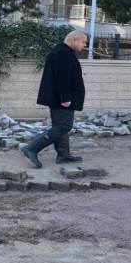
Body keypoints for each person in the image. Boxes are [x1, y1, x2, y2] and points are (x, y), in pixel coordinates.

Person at [23, 31, 87, 168]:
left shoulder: (64, 52)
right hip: (62, 99)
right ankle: (32, 148)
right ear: (74, 39)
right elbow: (62, 77)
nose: (84, 45)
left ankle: (63, 155)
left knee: (60, 126)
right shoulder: (63, 53)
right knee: (64, 126)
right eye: (83, 42)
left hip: (60, 98)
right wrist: (65, 97)